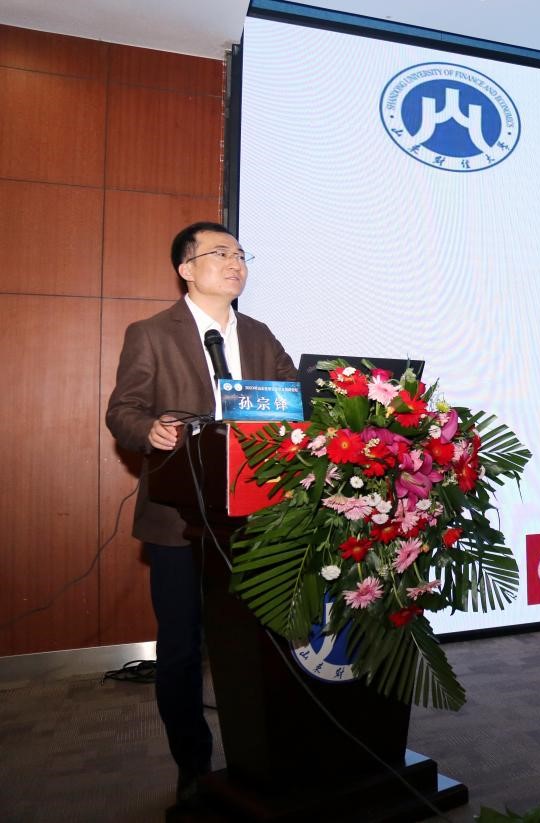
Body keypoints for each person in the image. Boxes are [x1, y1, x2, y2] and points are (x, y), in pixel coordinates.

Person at [105, 221, 297, 807]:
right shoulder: (151, 333)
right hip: (179, 517)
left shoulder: (259, 334)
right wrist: (151, 429)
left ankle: (266, 756)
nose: (236, 263)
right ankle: (192, 765)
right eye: (220, 253)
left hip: (256, 515)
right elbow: (123, 410)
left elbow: (295, 399)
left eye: (240, 254)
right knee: (183, 649)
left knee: (262, 642)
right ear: (186, 269)